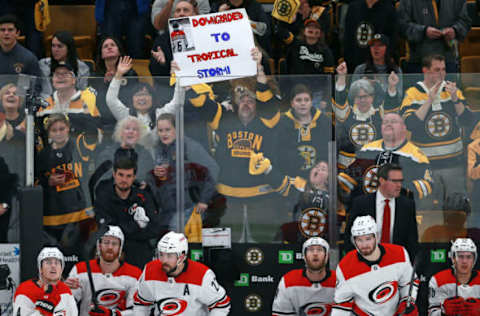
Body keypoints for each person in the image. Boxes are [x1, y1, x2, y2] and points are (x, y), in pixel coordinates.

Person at [398, 54, 474, 205]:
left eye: (444, 69)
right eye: (436, 69)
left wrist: (455, 99)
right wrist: (429, 101)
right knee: (427, 210)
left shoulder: (452, 90)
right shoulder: (413, 93)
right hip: (425, 167)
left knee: (456, 210)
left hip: (453, 164)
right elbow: (410, 123)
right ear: (425, 71)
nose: (442, 73)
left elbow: (468, 120)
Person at [337, 113, 433, 207]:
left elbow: (427, 185)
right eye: (385, 122)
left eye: (393, 121)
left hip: (398, 210)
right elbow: (348, 177)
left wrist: (398, 190)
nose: (388, 124)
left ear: (404, 128)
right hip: (368, 211)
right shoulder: (367, 149)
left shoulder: (415, 154)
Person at [332, 216, 419, 316]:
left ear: (376, 237)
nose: (364, 245)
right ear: (353, 241)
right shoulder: (345, 266)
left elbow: (408, 283)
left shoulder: (399, 254)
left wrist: (407, 302)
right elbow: (342, 305)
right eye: (359, 240)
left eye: (368, 239)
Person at [146, 113, 218, 232]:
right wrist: (154, 176)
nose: (164, 134)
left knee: (180, 242)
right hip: (166, 208)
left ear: (177, 129)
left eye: (168, 130)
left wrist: (204, 199)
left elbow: (213, 168)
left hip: (188, 207)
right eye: (160, 130)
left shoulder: (190, 147)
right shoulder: (159, 148)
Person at [133, 231, 231, 315]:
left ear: (182, 257)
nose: (164, 260)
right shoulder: (150, 270)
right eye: (161, 254)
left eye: (169, 256)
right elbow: (141, 304)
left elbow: (221, 305)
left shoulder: (202, 275)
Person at [36, 114, 98, 245]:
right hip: (53, 218)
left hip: (80, 214)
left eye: (61, 128)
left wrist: (70, 114)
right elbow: (35, 181)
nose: (58, 133)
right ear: (49, 133)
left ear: (68, 128)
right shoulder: (43, 155)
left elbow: (93, 128)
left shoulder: (80, 146)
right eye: (54, 130)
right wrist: (48, 182)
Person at [94, 151, 161, 268]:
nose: (124, 180)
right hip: (114, 255)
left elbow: (154, 229)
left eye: (128, 176)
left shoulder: (143, 197)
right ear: (114, 175)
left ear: (134, 177)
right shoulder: (104, 197)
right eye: (120, 175)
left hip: (140, 254)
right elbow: (108, 231)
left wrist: (121, 229)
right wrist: (137, 225)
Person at [345, 163, 418, 258]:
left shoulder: (407, 205)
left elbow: (412, 241)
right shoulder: (361, 204)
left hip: (396, 263)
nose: (399, 185)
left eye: (400, 181)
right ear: (382, 181)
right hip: (367, 263)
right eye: (395, 181)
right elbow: (350, 237)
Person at [65, 226, 142, 316]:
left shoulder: (135, 274)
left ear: (120, 247)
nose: (110, 247)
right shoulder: (80, 269)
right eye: (106, 242)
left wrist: (112, 314)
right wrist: (64, 290)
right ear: (99, 245)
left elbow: (138, 312)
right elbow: (67, 305)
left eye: (114, 243)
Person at [273, 83, 331, 179]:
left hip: (318, 178)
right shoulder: (282, 123)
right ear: (292, 103)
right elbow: (279, 155)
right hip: (290, 179)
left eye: (306, 100)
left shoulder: (324, 121)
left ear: (311, 102)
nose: (303, 103)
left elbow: (328, 153)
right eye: (298, 100)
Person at [398, 0, 471, 74]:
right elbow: (401, 26)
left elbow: (465, 22)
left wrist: (454, 30)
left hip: (448, 60)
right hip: (418, 61)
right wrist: (423, 31)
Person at [272, 237, 336, 316]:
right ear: (304, 256)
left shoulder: (340, 282)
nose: (315, 254)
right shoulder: (289, 281)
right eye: (311, 250)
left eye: (320, 250)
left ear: (327, 256)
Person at [13, 247, 78, 315]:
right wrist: (43, 310)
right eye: (48, 262)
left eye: (57, 263)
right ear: (40, 268)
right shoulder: (25, 290)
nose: (53, 266)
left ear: (61, 269)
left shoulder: (65, 289)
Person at [93, 36, 138, 132]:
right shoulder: (95, 76)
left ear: (119, 51)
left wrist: (117, 78)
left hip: (124, 120)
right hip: (103, 122)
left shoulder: (130, 74)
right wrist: (105, 84)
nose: (109, 47)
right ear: (101, 54)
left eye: (113, 45)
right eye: (105, 46)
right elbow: (96, 102)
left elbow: (131, 99)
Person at [428, 238, 480, 316]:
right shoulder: (438, 280)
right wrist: (443, 312)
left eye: (469, 257)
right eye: (460, 256)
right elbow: (431, 313)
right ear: (453, 259)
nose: (464, 261)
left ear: (474, 260)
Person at [343, 0, 398, 72]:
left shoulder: (389, 9)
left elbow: (392, 39)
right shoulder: (353, 7)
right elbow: (348, 37)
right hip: (355, 61)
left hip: (378, 66)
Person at [95, 116, 154, 183]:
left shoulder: (145, 155)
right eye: (127, 128)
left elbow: (151, 179)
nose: (131, 132)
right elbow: (102, 181)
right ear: (120, 133)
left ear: (139, 134)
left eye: (135, 129)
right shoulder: (107, 155)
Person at [39, 30, 90, 98]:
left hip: (72, 104)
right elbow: (42, 92)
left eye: (60, 46)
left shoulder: (82, 68)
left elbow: (82, 93)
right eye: (53, 46)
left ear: (69, 48)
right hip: (47, 104)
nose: (55, 49)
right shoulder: (43, 64)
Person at [352, 33, 403, 101]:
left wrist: (392, 87)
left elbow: (399, 98)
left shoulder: (396, 70)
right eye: (373, 45)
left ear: (387, 49)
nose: (376, 48)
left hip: (388, 109)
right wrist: (361, 86)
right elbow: (351, 96)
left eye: (380, 45)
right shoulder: (360, 70)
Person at [0, 14, 41, 79]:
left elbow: (37, 86)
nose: (6, 33)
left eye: (10, 30)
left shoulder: (29, 58)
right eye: (2, 30)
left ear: (17, 33)